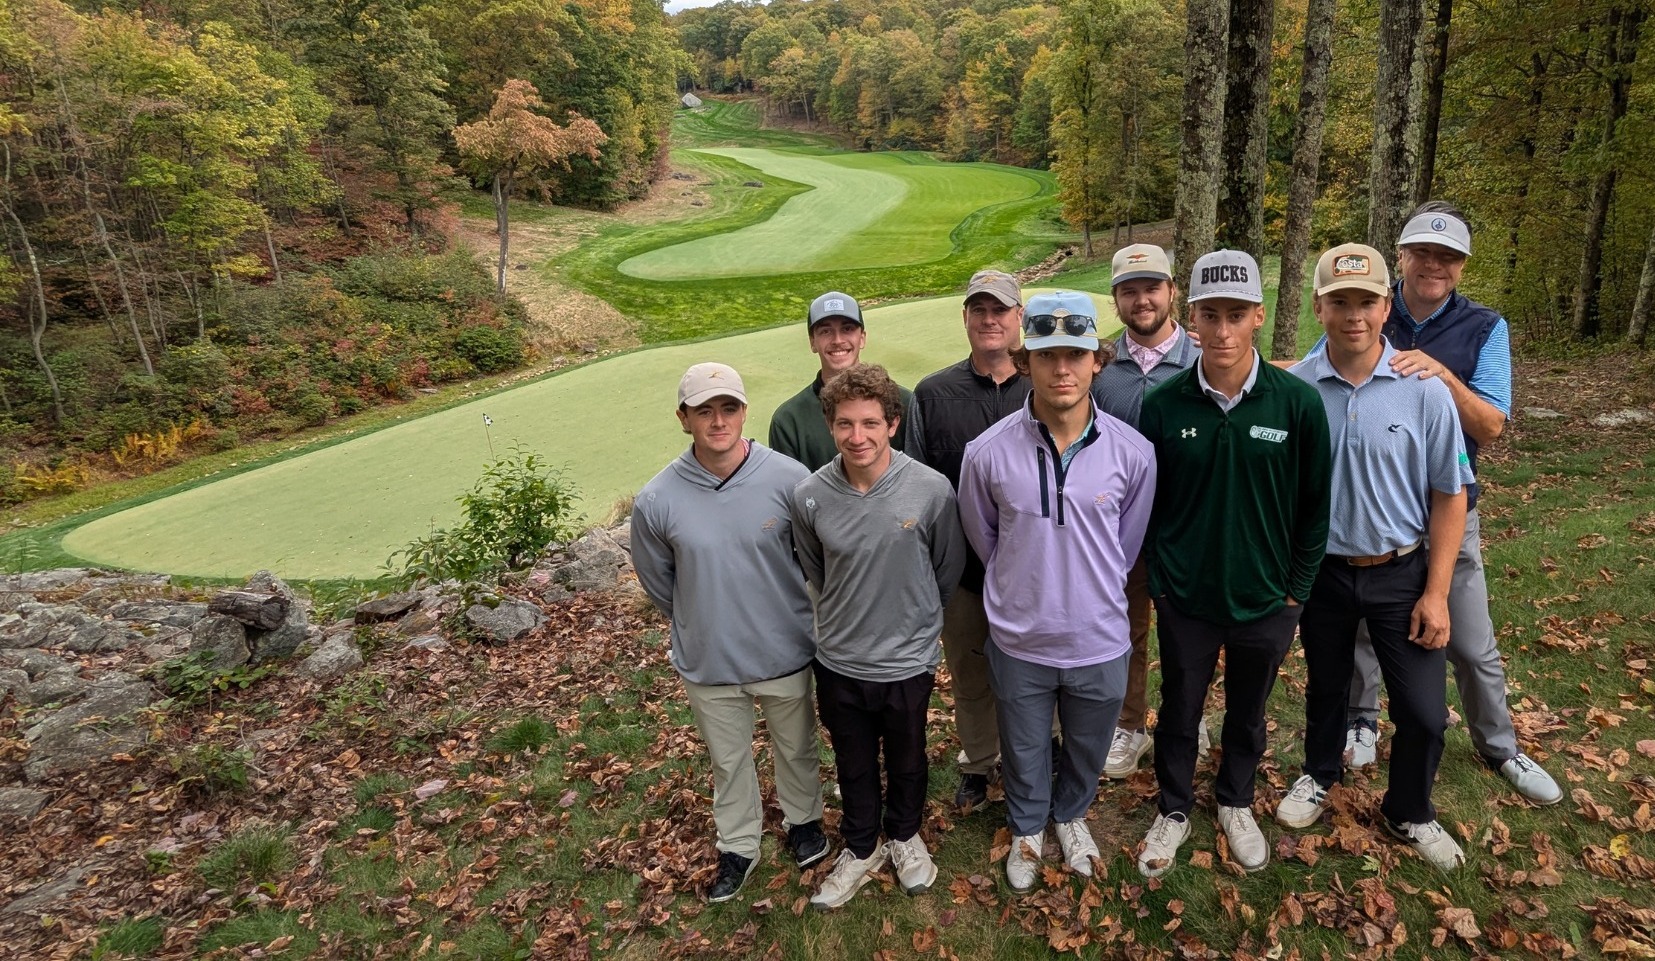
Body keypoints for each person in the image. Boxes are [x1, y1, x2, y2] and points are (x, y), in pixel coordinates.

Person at [1339, 203, 1562, 806]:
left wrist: (1441, 376)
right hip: (1370, 502)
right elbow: (1321, 373)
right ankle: (1360, 720)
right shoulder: (1364, 303)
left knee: (1467, 638)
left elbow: (1490, 426)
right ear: (1403, 255)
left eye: (1447, 256)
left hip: (1446, 505)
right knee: (1361, 628)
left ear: (1461, 266)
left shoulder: (1484, 327)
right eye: (1423, 252)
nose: (1433, 265)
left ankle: (1501, 745)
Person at [1134, 250, 1332, 878]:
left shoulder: (1296, 404)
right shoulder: (1164, 406)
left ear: (1259, 317)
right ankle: (1172, 807)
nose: (1222, 331)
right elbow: (1152, 508)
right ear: (1191, 317)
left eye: (1236, 315)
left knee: (1248, 710)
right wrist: (1163, 585)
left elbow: (1313, 509)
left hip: (1267, 598)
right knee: (1180, 707)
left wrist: (1295, 592)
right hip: (1187, 598)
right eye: (1210, 315)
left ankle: (1235, 799)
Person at [1276, 243, 1474, 871]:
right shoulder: (1298, 389)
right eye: (1340, 301)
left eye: (1366, 301)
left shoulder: (1425, 390)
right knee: (1326, 690)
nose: (1353, 315)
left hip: (1403, 571)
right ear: (1318, 306)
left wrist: (1437, 592)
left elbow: (1451, 495)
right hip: (1326, 572)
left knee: (1423, 712)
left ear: (1387, 306)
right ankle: (1319, 773)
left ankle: (1409, 809)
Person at [957, 291, 1156, 892]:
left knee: (1090, 746)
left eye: (1076, 354)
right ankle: (1025, 826)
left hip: (1099, 638)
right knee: (1021, 746)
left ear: (1098, 360)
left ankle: (1069, 815)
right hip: (1020, 638)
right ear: (1026, 363)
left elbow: (1125, 547)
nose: (1062, 369)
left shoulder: (1134, 453)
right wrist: (1029, 584)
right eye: (1047, 355)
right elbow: (986, 539)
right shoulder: (985, 454)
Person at [629, 363, 828, 904]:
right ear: (684, 418)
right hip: (710, 658)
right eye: (704, 411)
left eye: (729, 408)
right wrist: (706, 615)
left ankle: (804, 818)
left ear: (744, 411)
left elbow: (812, 562)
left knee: (796, 747)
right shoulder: (656, 500)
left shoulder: (789, 479)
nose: (718, 421)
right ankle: (738, 844)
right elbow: (659, 584)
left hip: (784, 648)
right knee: (728, 759)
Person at [791, 363, 967, 910]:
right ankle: (862, 846)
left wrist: (914, 621)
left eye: (870, 422)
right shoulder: (810, 496)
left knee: (909, 757)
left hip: (907, 659)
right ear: (831, 426)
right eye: (845, 424)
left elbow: (946, 568)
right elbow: (817, 571)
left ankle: (906, 836)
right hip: (840, 657)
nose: (857, 437)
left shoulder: (930, 490)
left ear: (893, 423)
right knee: (854, 760)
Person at [904, 269, 1033, 809]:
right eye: (978, 310)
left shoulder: (1046, 381)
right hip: (964, 572)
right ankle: (979, 764)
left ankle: (1037, 753)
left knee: (1034, 673)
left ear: (1019, 318)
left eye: (1000, 310)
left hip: (1036, 569)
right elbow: (913, 485)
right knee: (972, 673)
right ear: (965, 319)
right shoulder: (933, 394)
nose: (989, 319)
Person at [1088, 244, 1209, 779]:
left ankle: (1189, 716)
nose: (1142, 300)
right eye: (1129, 291)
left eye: (1151, 288)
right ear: (1116, 299)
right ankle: (1130, 723)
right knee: (1126, 629)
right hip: (1120, 530)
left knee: (1193, 632)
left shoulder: (1206, 359)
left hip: (1189, 525)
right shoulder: (1101, 368)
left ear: (1171, 291)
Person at [770, 291, 914, 471]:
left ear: (862, 338)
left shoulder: (904, 402)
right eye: (826, 331)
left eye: (847, 329)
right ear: (813, 342)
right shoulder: (788, 420)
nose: (837, 340)